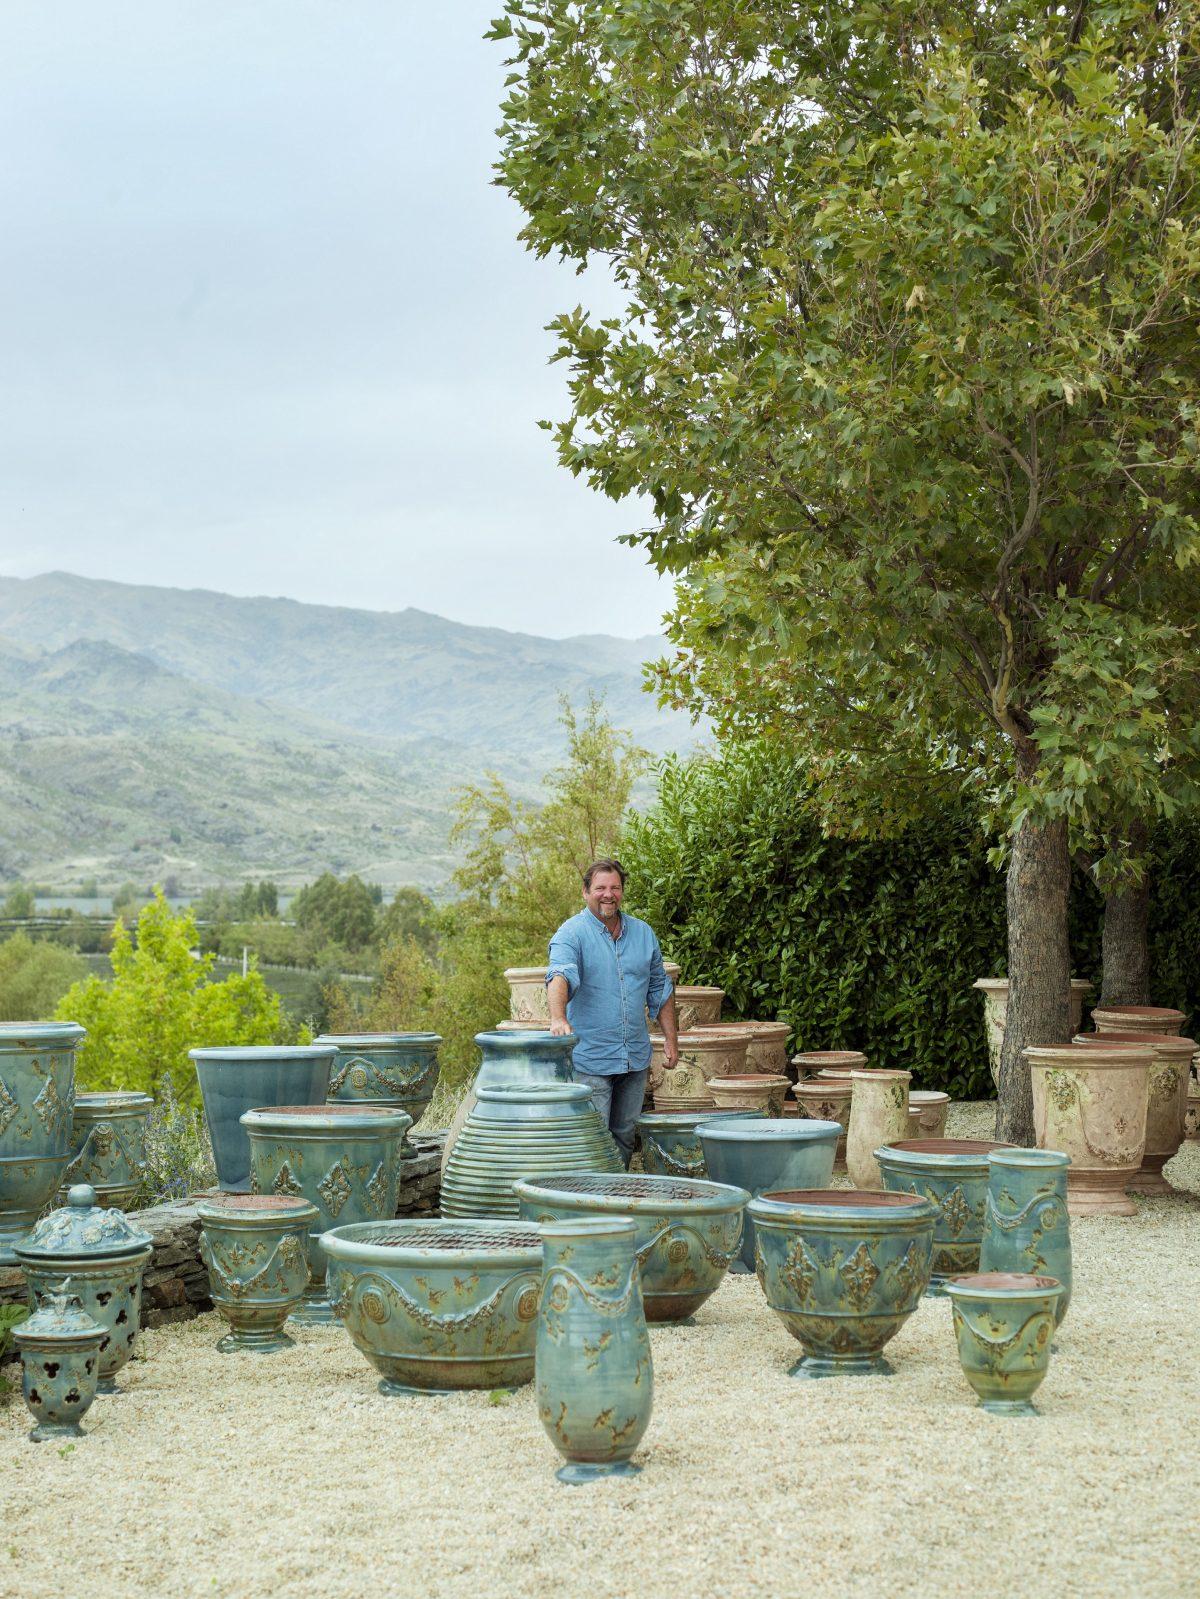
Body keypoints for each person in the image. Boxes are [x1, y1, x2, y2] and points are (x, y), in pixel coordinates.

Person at [545, 857, 679, 1166]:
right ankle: (590, 1201)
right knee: (593, 1137)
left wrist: (671, 1039)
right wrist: (558, 1018)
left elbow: (660, 987)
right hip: (591, 1059)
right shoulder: (571, 934)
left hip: (634, 1057)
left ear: (622, 891)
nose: (608, 894)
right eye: (600, 888)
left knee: (623, 1134)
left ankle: (613, 1194)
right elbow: (559, 974)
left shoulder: (644, 934)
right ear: (585, 892)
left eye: (615, 887)